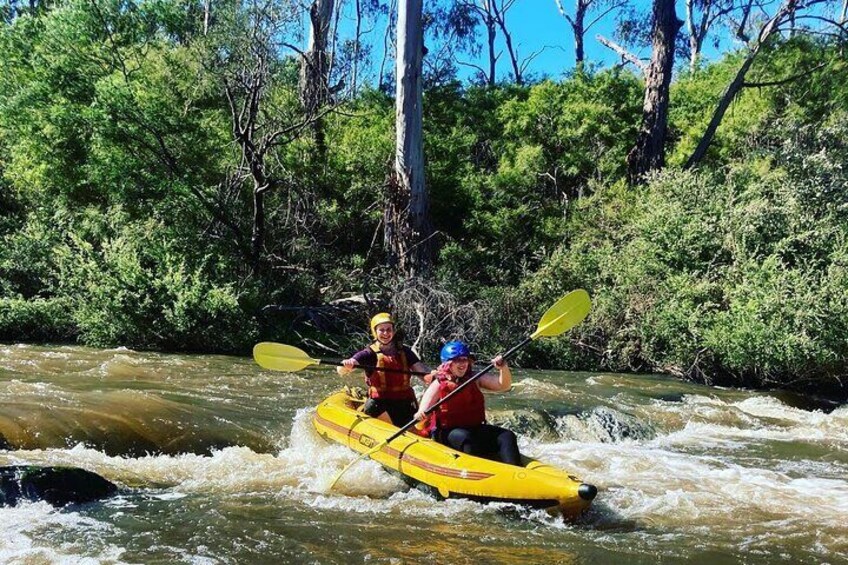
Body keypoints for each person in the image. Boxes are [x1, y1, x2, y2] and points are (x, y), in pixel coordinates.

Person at [414, 340, 522, 466]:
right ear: (447, 364)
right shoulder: (438, 385)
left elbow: (504, 386)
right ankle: (475, 472)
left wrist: (503, 367)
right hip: (447, 431)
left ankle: (516, 472)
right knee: (465, 438)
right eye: (457, 360)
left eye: (464, 359)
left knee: (507, 436)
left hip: (474, 427)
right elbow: (420, 422)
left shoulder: (475, 378)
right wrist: (420, 417)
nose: (462, 364)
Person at [337, 313, 431, 426]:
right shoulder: (369, 354)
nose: (386, 333)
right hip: (380, 405)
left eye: (389, 329)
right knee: (374, 407)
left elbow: (424, 374)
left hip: (404, 403)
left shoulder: (405, 352)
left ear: (393, 331)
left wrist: (434, 376)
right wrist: (346, 365)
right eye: (381, 330)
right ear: (375, 332)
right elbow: (341, 370)